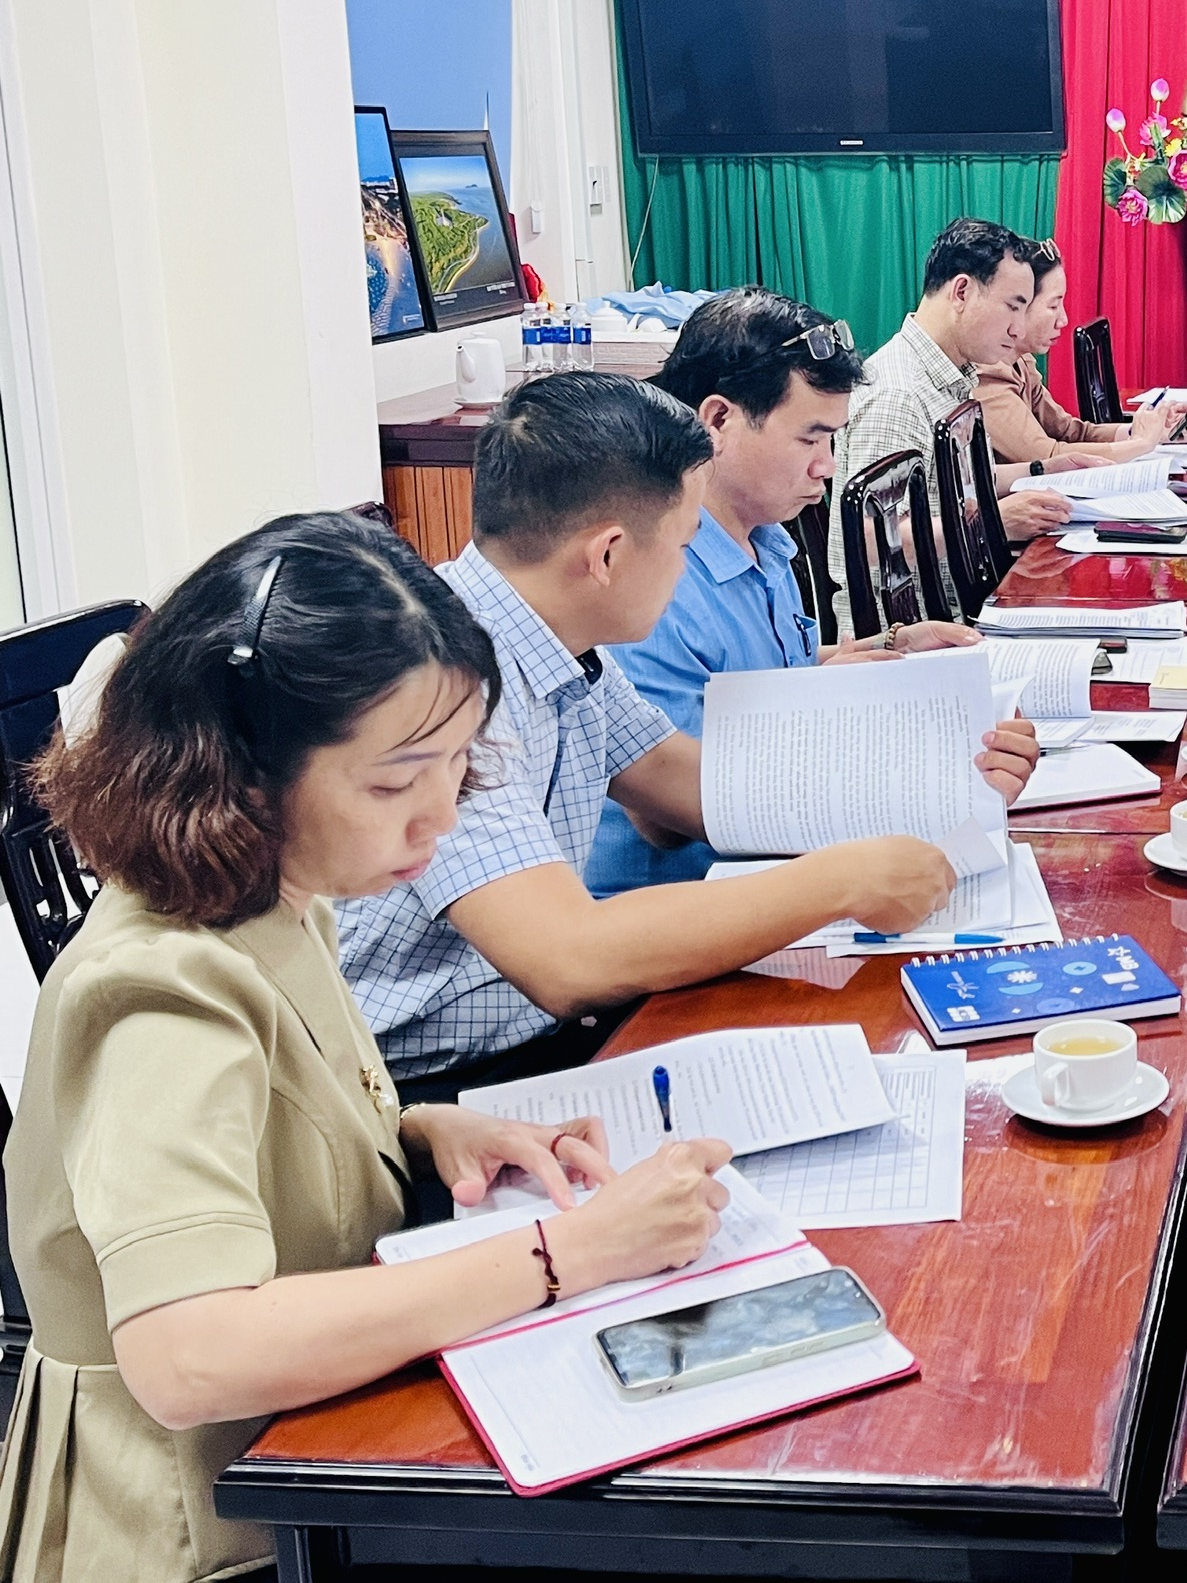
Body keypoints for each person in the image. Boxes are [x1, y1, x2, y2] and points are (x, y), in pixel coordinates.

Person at [0, 512, 733, 1583]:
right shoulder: (160, 988)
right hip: (204, 1523)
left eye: (456, 764)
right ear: (242, 772)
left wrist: (424, 1129)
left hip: (304, 1453)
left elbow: (274, 1111)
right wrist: (565, 1254)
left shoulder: (278, 888)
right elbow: (187, 1354)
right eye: (394, 782)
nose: (439, 817)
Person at [336, 372, 1039, 1094]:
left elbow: (696, 789)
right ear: (607, 556)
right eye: (683, 543)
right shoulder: (443, 684)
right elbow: (569, 960)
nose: (686, 571)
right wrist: (844, 881)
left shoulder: (559, 638)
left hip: (542, 1035)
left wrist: (948, 780)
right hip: (436, 1089)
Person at [588, 288, 984, 895]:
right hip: (688, 902)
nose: (827, 466)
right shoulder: (657, 579)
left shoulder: (763, 537)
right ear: (718, 421)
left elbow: (764, 674)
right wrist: (835, 712)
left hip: (768, 867)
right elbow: (672, 813)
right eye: (810, 439)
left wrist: (890, 648)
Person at [831, 217, 1076, 633]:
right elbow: (869, 539)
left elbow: (953, 484)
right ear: (961, 291)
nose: (1019, 328)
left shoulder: (950, 376)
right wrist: (996, 520)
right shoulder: (899, 395)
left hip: (963, 607)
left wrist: (1044, 469)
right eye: (1013, 306)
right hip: (909, 635)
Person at [975, 241, 1170, 467]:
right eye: (1053, 306)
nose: (1063, 320)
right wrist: (1139, 444)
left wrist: (1143, 429)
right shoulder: (988, 374)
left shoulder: (1022, 361)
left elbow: (1069, 431)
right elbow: (1045, 455)